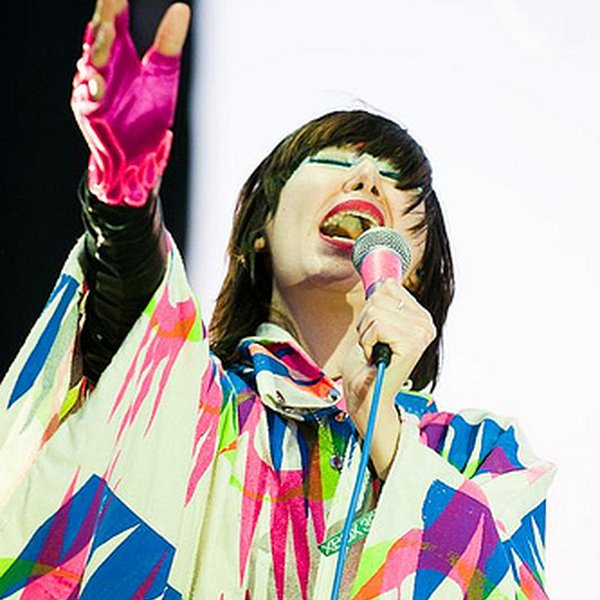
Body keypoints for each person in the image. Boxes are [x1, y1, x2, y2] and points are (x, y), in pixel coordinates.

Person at [0, 0, 555, 598]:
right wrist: (124, 198)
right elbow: (132, 320)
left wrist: (383, 432)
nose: (366, 180)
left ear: (417, 270)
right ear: (259, 232)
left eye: (396, 183)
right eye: (334, 161)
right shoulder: (193, 398)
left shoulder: (481, 454)